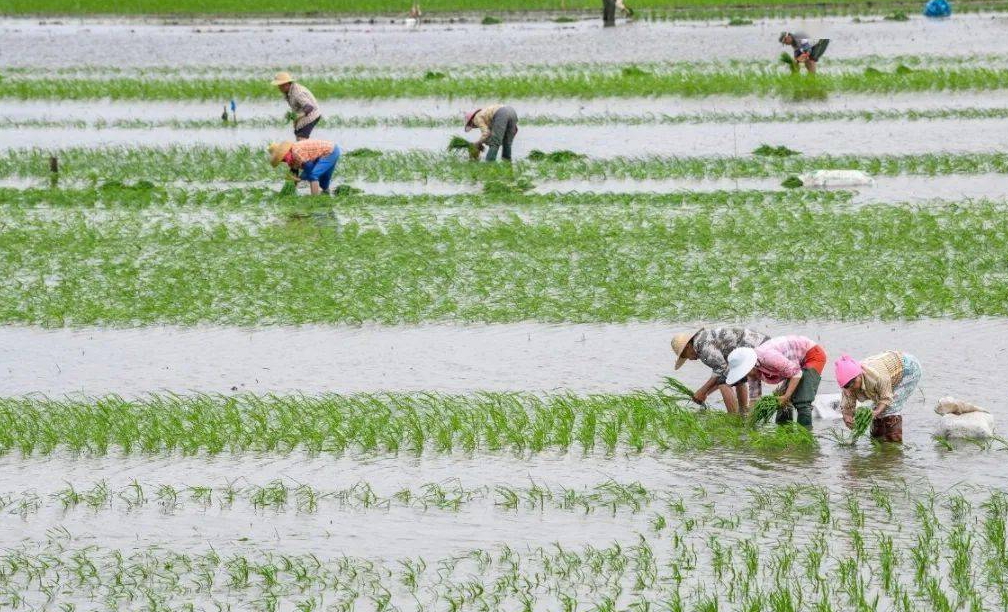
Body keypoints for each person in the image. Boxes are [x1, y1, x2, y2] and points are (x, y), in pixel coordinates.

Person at [726, 335, 827, 429]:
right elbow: (754, 399)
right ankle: (785, 431)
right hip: (793, 363)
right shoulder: (752, 372)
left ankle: (805, 438)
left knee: (802, 400)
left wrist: (787, 395)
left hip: (811, 354)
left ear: (749, 365)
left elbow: (796, 373)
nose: (746, 376)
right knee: (780, 400)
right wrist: (749, 425)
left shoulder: (768, 357)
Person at [670, 327, 769, 415]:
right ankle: (743, 412)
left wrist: (702, 391)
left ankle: (733, 417)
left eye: (685, 356)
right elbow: (724, 370)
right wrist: (705, 393)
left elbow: (721, 370)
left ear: (687, 347)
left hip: (755, 348)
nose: (690, 359)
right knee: (736, 377)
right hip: (757, 344)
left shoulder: (702, 346)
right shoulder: (702, 339)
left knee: (723, 382)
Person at [834, 352, 923, 443]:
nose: (852, 386)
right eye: (847, 385)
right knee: (876, 411)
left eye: (853, 382)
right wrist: (847, 416)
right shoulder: (848, 387)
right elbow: (847, 406)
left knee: (890, 408)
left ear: (859, 374)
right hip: (888, 374)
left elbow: (886, 398)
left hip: (907, 368)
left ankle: (893, 443)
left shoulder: (876, 376)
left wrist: (877, 411)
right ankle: (878, 441)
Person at [268, 139, 341, 196]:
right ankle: (329, 194)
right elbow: (294, 173)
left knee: (313, 175)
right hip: (328, 152)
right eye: (282, 160)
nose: (284, 161)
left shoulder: (296, 152)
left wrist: (300, 178)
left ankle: (314, 199)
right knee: (323, 183)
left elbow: (310, 168)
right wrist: (291, 185)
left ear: (285, 153)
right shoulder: (291, 157)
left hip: (330, 151)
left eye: (283, 159)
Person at [272, 72, 322, 140]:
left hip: (312, 115)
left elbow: (309, 107)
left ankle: (312, 149)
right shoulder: (288, 91)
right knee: (298, 135)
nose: (279, 88)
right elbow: (296, 107)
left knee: (301, 138)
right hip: (304, 114)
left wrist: (298, 116)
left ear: (286, 84)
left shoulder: (298, 93)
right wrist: (295, 120)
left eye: (280, 86)